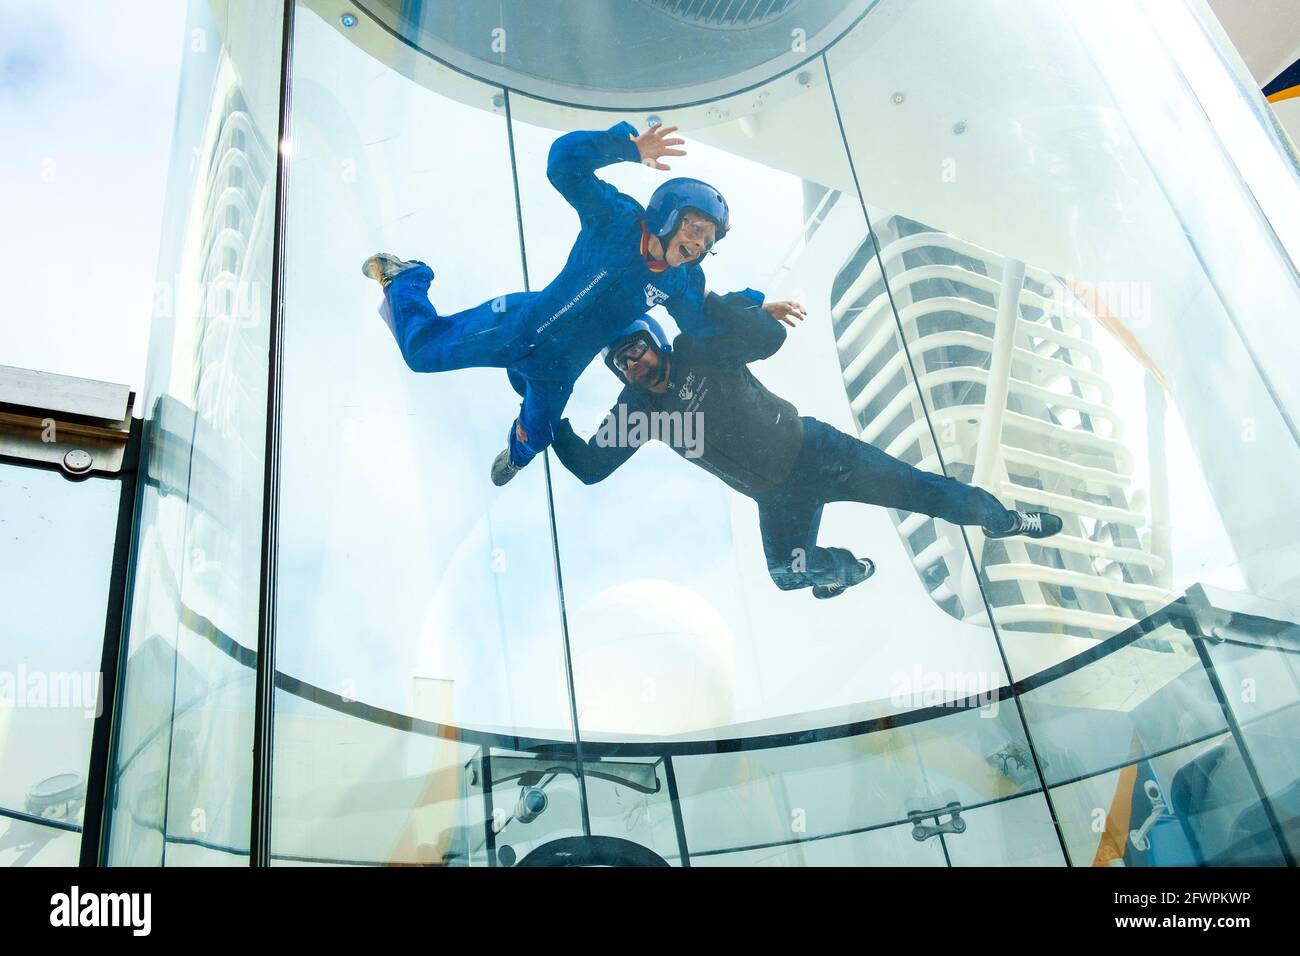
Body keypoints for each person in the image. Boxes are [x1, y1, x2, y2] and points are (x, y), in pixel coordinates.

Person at [361, 122, 802, 486]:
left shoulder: (680, 280)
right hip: (515, 325)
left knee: (537, 434)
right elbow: (563, 166)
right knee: (421, 354)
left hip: (557, 369)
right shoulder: (617, 219)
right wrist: (626, 147)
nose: (698, 244)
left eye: (707, 241)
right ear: (668, 214)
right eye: (695, 228)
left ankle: (517, 452)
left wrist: (755, 309)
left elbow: (705, 318)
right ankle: (407, 279)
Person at [550, 292, 1064, 599]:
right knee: (785, 575)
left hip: (819, 451)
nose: (631, 363)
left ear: (653, 340)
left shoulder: (698, 349)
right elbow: (593, 466)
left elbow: (766, 341)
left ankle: (1006, 520)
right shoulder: (637, 411)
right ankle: (847, 570)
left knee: (925, 492)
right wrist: (548, 417)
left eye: (635, 349)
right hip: (778, 497)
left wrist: (748, 307)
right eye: (620, 362)